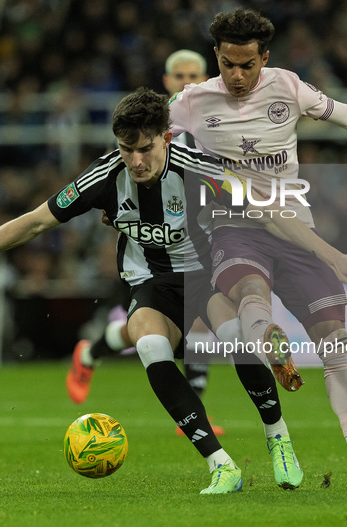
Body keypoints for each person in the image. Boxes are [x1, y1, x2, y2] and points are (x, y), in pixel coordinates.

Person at [0, 87, 347, 494]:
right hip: (149, 281)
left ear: (167, 138)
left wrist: (330, 255)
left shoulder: (199, 166)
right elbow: (33, 222)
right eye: (124, 149)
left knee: (237, 336)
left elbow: (269, 209)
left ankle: (277, 435)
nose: (135, 160)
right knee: (151, 345)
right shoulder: (103, 176)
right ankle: (221, 465)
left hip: (204, 274)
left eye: (145, 149)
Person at [168, 7, 347, 492]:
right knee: (248, 288)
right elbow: (143, 146)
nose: (237, 76)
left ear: (265, 57)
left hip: (293, 226)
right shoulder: (191, 102)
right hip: (230, 225)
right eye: (227, 64)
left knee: (335, 340)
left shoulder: (288, 86)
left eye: (248, 65)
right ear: (215, 56)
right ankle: (270, 342)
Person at [67, 49, 225, 437]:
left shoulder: (218, 129)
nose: (188, 82)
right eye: (179, 76)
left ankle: (91, 353)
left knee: (193, 325)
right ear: (167, 82)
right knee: (148, 333)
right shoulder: (148, 132)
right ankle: (90, 352)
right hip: (147, 257)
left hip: (195, 249)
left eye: (195, 75)